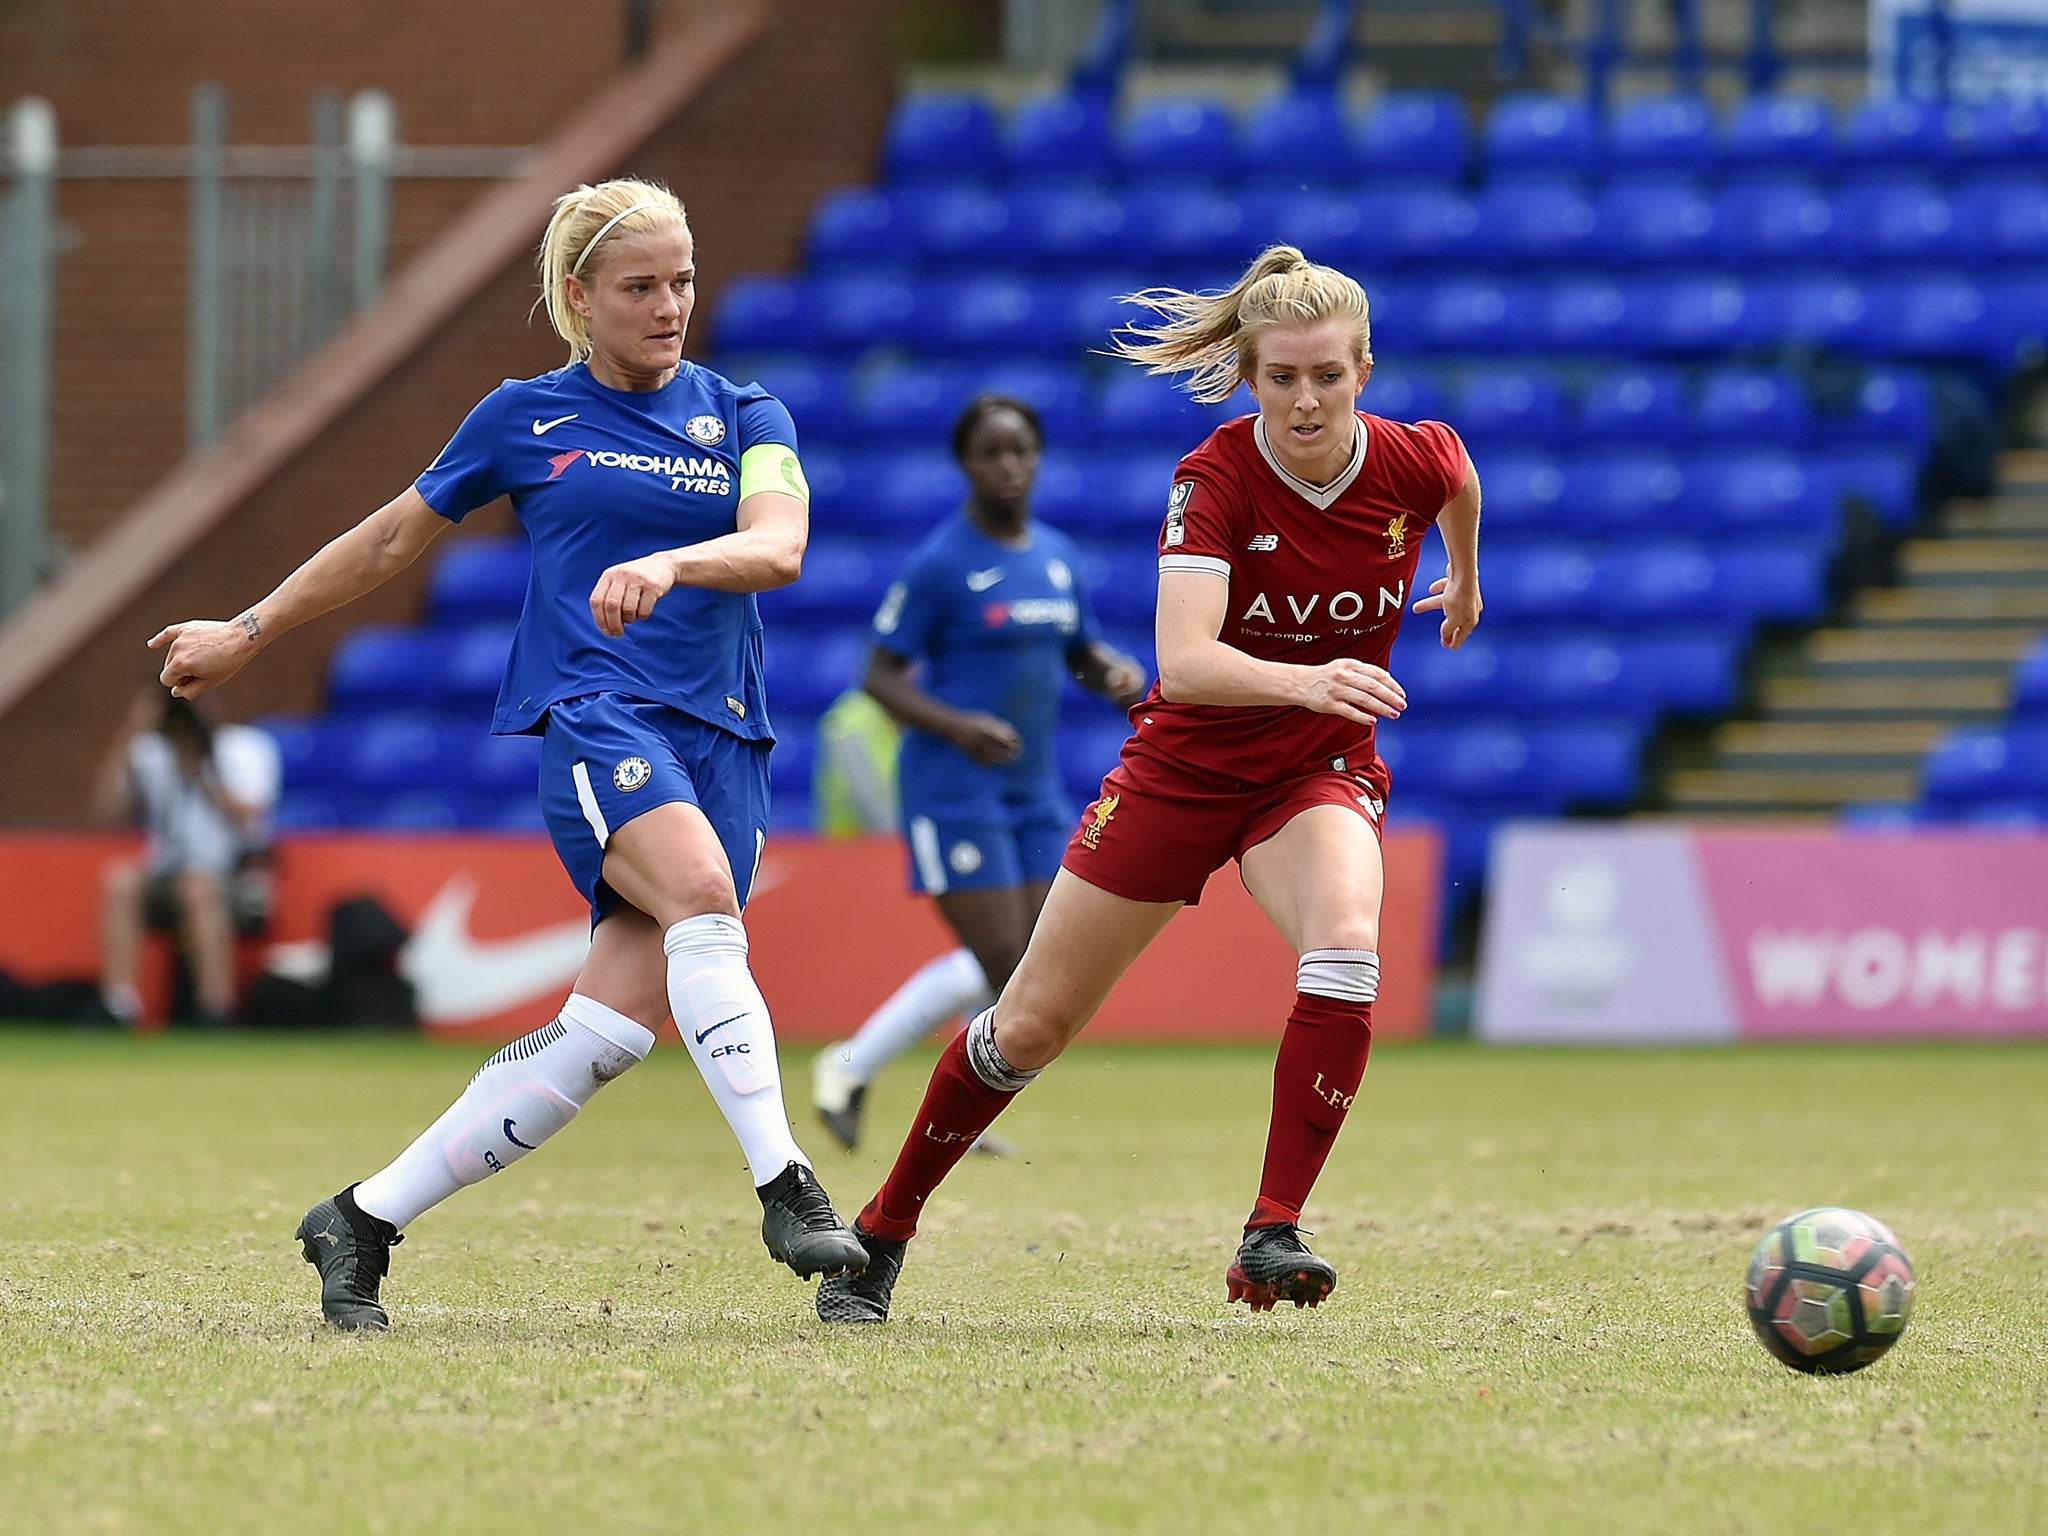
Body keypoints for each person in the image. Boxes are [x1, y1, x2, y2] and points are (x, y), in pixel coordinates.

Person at [151, 177, 868, 1330]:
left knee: (603, 1037)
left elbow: (780, 548)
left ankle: (362, 1218)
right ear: (578, 297)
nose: (668, 304)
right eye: (639, 286)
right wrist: (245, 632)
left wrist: (679, 565)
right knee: (696, 894)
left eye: (681, 280)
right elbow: (390, 537)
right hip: (598, 717)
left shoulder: (747, 414)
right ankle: (786, 1185)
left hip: (725, 737)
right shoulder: (522, 418)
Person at [815, 246, 1483, 1324]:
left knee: (1346, 947)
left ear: (1363, 367)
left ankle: (1271, 1227)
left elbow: (1457, 481)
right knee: (1025, 1026)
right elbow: (1185, 662)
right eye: (1280, 378)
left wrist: (1465, 581)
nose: (1305, 399)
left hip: (1309, 774)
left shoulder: (1414, 458)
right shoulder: (1211, 478)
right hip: (1181, 774)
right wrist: (1311, 677)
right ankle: (883, 1230)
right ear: (1247, 377)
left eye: (1326, 375)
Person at [809, 395, 1146, 1152]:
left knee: (1026, 961)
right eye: (992, 452)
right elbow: (879, 675)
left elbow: (1077, 650)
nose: (1009, 465)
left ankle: (886, 1074)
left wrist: (1111, 672)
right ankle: (866, 1071)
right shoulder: (942, 563)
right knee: (1001, 959)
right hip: (953, 785)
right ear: (965, 463)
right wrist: (957, 726)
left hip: (1030, 786)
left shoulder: (1056, 557)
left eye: (1022, 450)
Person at [93, 688, 280, 1026]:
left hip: (232, 876)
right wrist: (132, 730)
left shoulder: (244, 746)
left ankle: (215, 1009)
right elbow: (107, 810)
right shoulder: (150, 752)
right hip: (167, 873)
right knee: (121, 879)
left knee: (196, 888)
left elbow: (251, 818)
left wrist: (202, 771)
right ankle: (118, 1007)